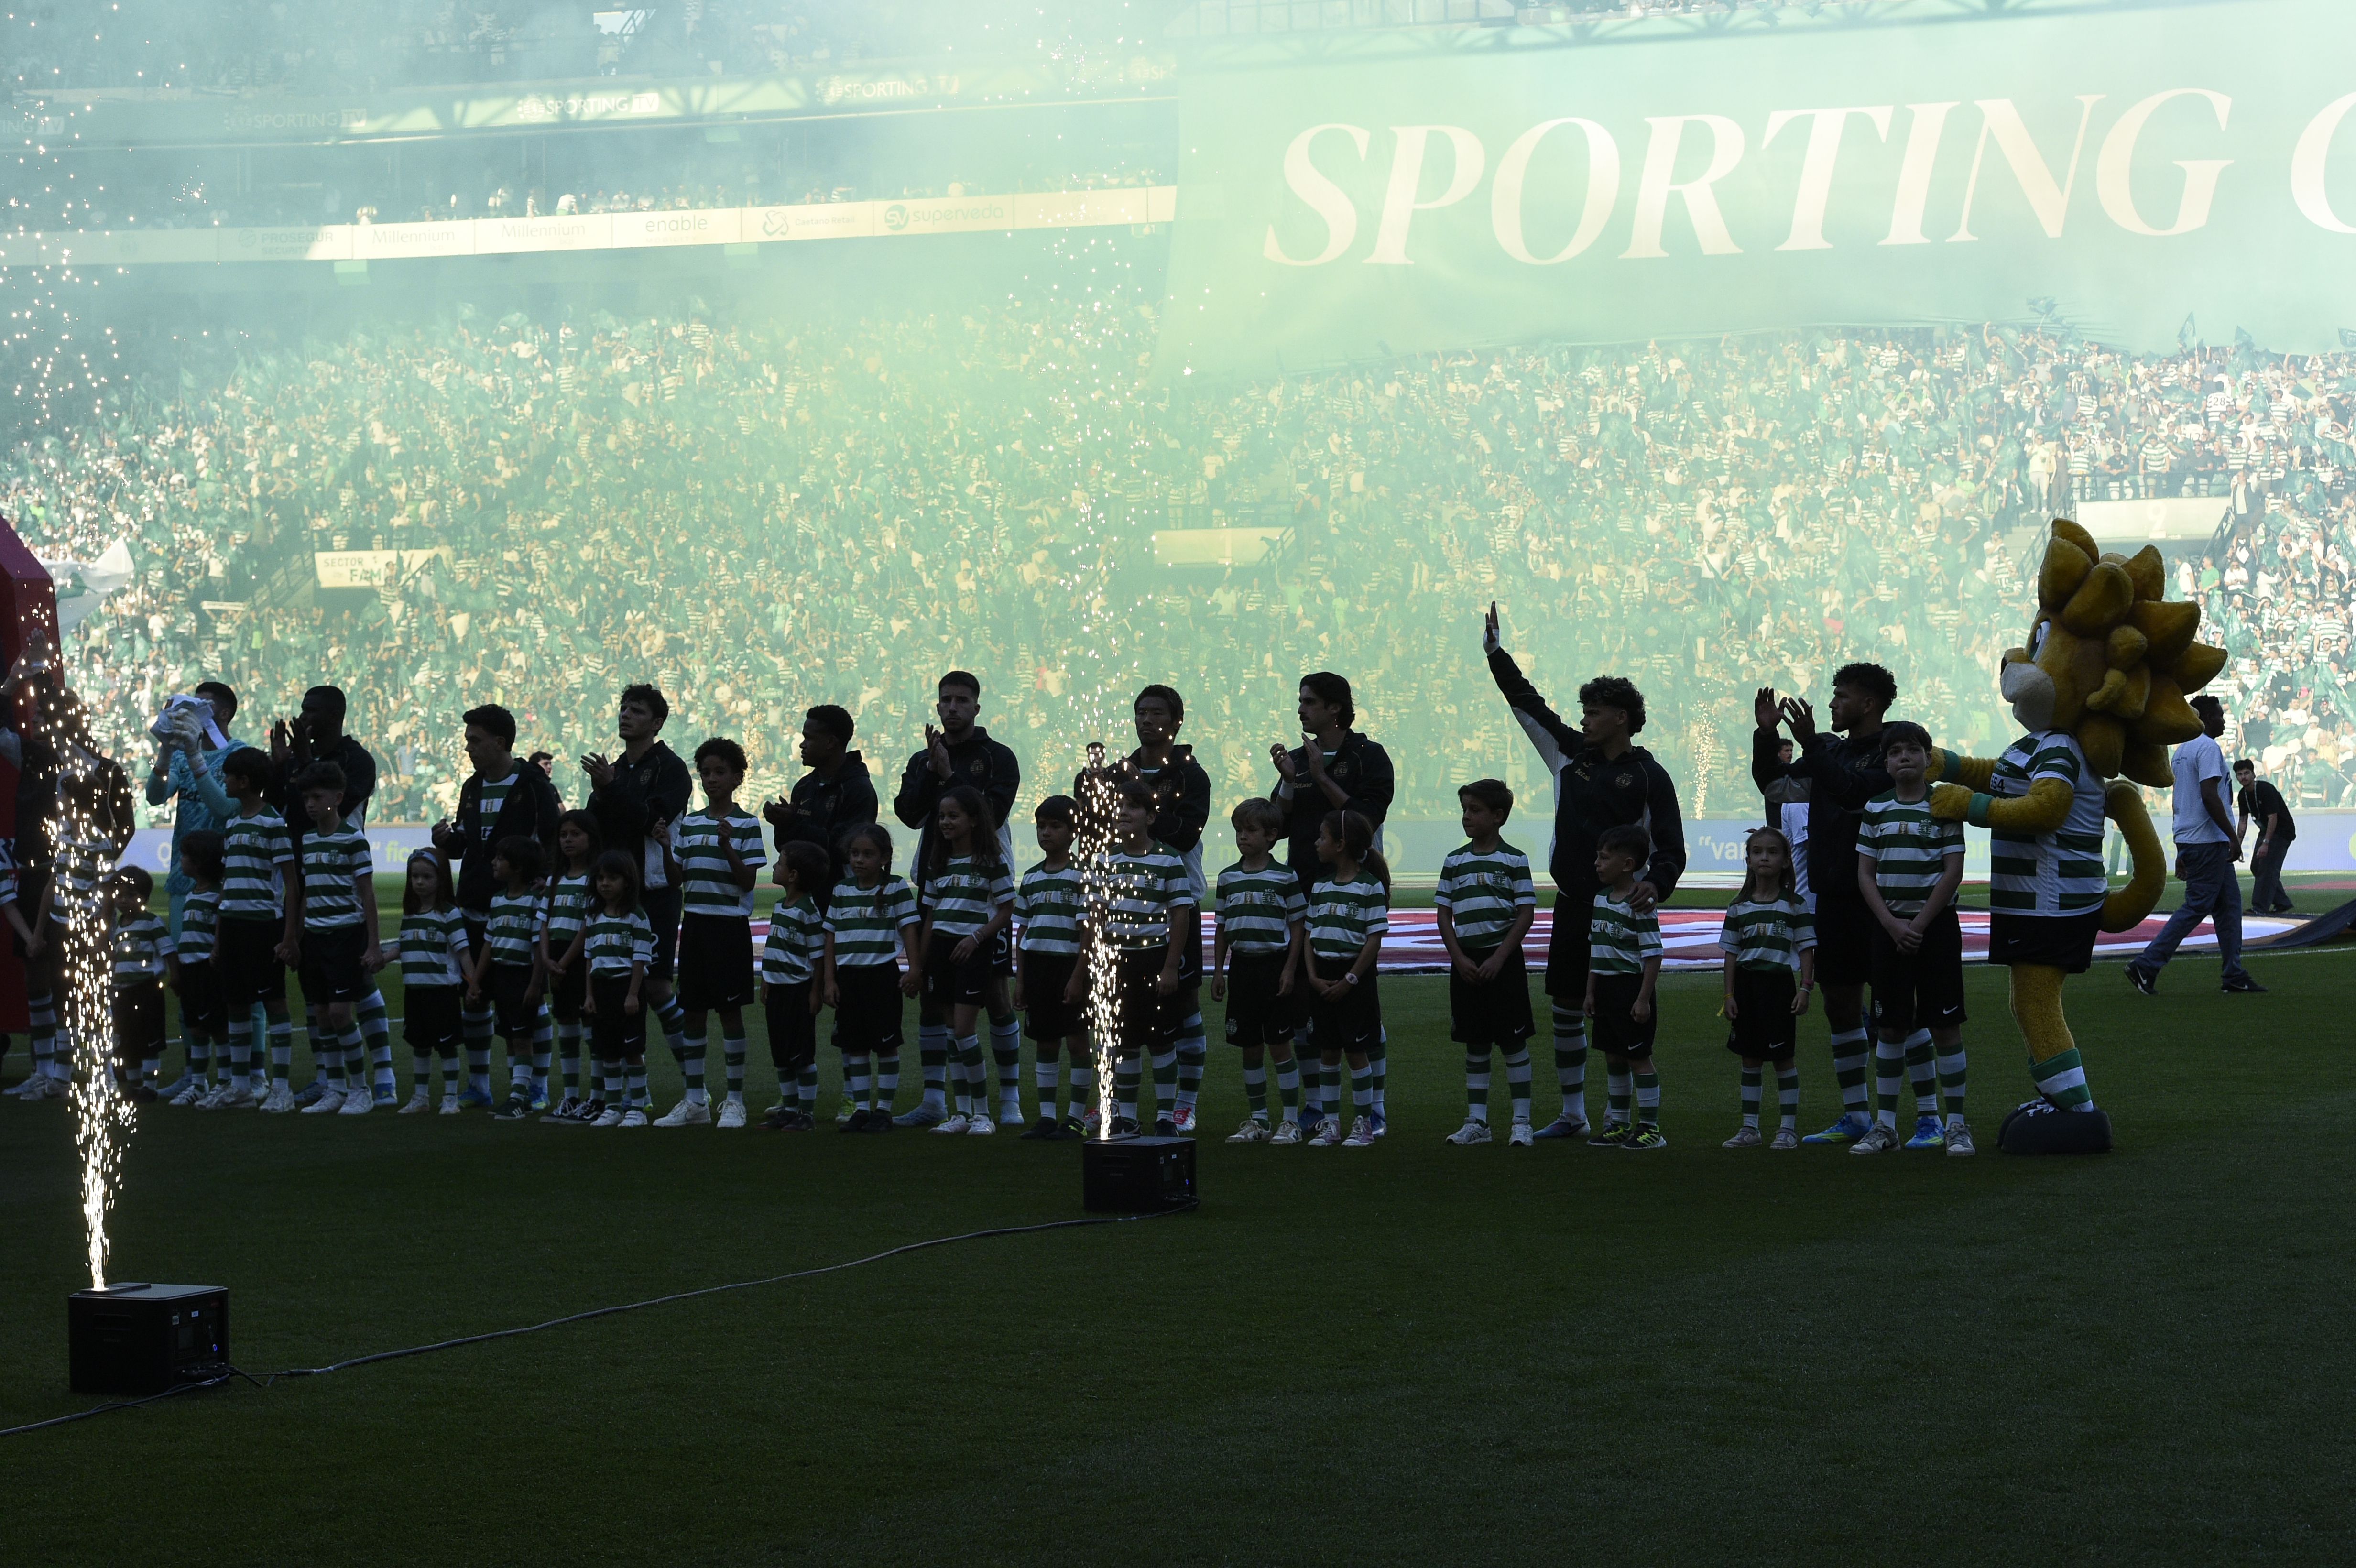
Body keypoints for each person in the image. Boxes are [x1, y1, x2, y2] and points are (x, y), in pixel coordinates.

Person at [1483, 603, 1686, 1141]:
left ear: (1620, 716)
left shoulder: (1649, 776)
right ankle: (1574, 1113)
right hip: (1574, 904)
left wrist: (1655, 884)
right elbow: (1528, 706)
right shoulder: (1567, 756)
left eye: (1593, 712)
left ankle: (1629, 1119)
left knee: (1624, 1016)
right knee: (1568, 1006)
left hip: (1623, 914)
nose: (1583, 720)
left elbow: (1671, 848)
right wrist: (1495, 654)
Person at [1748, 662, 1897, 1145]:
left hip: (1885, 899)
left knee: (1896, 1007)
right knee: (1839, 1003)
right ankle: (1856, 1114)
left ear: (1867, 704)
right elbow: (1775, 786)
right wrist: (1766, 737)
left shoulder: (1894, 750)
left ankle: (1928, 1118)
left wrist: (1811, 743)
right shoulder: (1827, 750)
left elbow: (1852, 792)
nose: (1831, 703)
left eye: (1840, 696)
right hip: (1833, 895)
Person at [1079, 686, 1214, 1132]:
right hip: (1124, 909)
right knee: (1131, 1020)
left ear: (1177, 721)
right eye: (1140, 712)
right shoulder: (1120, 771)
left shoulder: (1191, 775)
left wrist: (1146, 798)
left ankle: (1184, 1103)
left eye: (1156, 713)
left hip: (1178, 899)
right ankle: (1126, 1107)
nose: (1146, 720)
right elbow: (1097, 824)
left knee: (1183, 1004)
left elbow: (1186, 836)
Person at [891, 670, 1020, 1128]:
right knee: (932, 995)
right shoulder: (922, 758)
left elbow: (993, 812)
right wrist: (931, 771)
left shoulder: (998, 757)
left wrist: (951, 774)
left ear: (977, 707)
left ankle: (1009, 1099)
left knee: (996, 994)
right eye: (945, 700)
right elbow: (908, 814)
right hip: (937, 882)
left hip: (983, 892)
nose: (952, 707)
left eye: (961, 700)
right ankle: (935, 1101)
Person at [1269, 672, 1394, 1124]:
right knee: (1304, 1006)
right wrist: (1288, 782)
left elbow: (1365, 819)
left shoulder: (1369, 757)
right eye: (1300, 701)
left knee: (1361, 1008)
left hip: (1356, 892)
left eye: (1309, 702)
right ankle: (1318, 1107)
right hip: (1304, 889)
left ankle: (1374, 1110)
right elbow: (1275, 826)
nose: (1301, 709)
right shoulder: (1298, 760)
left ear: (1335, 708)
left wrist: (1320, 777)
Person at [273, 684, 397, 1109]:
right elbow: (283, 805)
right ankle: (332, 1083)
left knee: (356, 994)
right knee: (321, 1002)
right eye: (303, 708)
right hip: (308, 886)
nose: (304, 716)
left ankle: (379, 1077)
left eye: (313, 710)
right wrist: (281, 767)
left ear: (335, 714)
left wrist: (306, 761)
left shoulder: (355, 760)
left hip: (344, 898)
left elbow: (348, 803)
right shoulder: (305, 821)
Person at [436, 702, 565, 1105]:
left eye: (474, 740)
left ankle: (536, 1088)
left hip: (519, 912)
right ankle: (479, 1086)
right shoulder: (472, 787)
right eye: (467, 740)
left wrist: (545, 881)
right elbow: (470, 845)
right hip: (474, 906)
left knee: (526, 1005)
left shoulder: (532, 785)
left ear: (500, 742)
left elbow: (552, 839)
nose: (468, 748)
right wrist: (448, 840)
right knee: (474, 997)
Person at [1852, 724, 1972, 1156]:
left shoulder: (1944, 804)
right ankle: (1886, 1126)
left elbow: (1952, 871)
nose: (1904, 758)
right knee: (1891, 1027)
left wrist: (1917, 925)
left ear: (1927, 757)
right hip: (1889, 929)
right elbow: (1865, 874)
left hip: (1934, 929)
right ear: (1886, 763)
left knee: (1944, 1025)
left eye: (1913, 750)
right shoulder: (1875, 808)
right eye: (1896, 752)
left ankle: (1956, 1124)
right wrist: (1890, 924)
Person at [579, 684, 695, 1078]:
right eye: (623, 708)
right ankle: (635, 1092)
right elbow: (596, 826)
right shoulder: (615, 770)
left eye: (637, 711)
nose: (626, 714)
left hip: (655, 891)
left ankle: (694, 1085)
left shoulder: (671, 769)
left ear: (657, 723)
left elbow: (651, 821)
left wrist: (611, 788)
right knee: (611, 988)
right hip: (613, 896)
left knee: (657, 988)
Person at [657, 738, 766, 1129]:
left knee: (730, 1011)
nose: (712, 779)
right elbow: (677, 880)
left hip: (729, 926)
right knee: (694, 1012)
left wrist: (728, 847)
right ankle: (695, 1100)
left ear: (738, 777)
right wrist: (668, 848)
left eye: (720, 772)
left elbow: (748, 880)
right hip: (697, 925)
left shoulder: (747, 824)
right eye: (705, 772)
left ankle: (734, 1100)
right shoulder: (690, 822)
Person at [1075, 777, 1194, 1137]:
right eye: (1120, 806)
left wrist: (1171, 966)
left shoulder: (1168, 859)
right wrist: (1094, 962)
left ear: (1150, 817)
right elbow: (1095, 915)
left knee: (1161, 1041)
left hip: (1154, 959)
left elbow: (1181, 914)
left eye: (1133, 807)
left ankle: (1164, 1116)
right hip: (1116, 961)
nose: (1124, 812)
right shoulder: (1104, 858)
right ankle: (1126, 1116)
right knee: (1123, 1042)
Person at [2127, 695, 2264, 995]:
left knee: (2229, 906)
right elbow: (2208, 795)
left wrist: (2181, 845)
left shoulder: (2182, 750)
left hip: (2195, 839)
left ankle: (2234, 974)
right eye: (2218, 716)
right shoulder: (2208, 747)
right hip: (2209, 841)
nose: (2224, 721)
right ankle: (2147, 964)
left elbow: (2182, 802)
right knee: (2198, 905)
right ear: (2203, 718)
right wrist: (2231, 835)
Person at [1436, 779, 1539, 1148]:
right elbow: (1444, 914)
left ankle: (1522, 1122)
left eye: (1475, 810)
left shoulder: (1514, 860)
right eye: (1464, 809)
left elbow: (1525, 914)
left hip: (1504, 962)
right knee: (1475, 1043)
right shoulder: (1454, 860)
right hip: (1466, 963)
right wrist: (1459, 958)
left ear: (1498, 816)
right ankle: (1477, 1122)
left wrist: (1499, 957)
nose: (1467, 817)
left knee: (1513, 1043)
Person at [914, 784, 1017, 1135]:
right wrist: (921, 964)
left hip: (973, 949)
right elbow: (930, 915)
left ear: (974, 820)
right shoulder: (938, 862)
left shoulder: (991, 861)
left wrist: (976, 938)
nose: (945, 822)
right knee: (950, 1032)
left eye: (953, 816)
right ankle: (960, 1114)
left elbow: (1006, 910)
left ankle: (983, 1114)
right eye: (942, 816)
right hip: (943, 950)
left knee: (963, 1030)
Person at [284, 760, 382, 1117]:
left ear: (338, 797)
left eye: (316, 796)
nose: (309, 804)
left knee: (341, 1013)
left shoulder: (354, 840)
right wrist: (295, 937)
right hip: (316, 937)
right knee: (322, 1015)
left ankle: (360, 1089)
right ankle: (335, 1088)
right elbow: (308, 890)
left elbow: (366, 894)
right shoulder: (307, 839)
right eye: (306, 797)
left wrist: (373, 944)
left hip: (345, 934)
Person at [1212, 797, 1307, 1145]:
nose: (1242, 837)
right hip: (1242, 970)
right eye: (1239, 830)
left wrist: (1289, 969)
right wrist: (1219, 972)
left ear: (1271, 836)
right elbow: (1222, 927)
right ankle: (1258, 1120)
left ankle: (1291, 1121)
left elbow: (1298, 926)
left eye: (1250, 831)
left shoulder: (1285, 876)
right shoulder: (1228, 877)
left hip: (1274, 967)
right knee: (1249, 1048)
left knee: (1280, 1046)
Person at [1716, 827, 1813, 1151]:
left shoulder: (1795, 905)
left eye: (1772, 852)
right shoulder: (1738, 907)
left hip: (1778, 986)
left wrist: (1805, 988)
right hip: (1747, 986)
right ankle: (1750, 1128)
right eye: (1758, 852)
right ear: (1748, 860)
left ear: (1786, 860)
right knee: (1750, 1058)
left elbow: (1806, 949)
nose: (1764, 858)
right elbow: (1731, 954)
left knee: (1783, 1057)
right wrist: (1729, 995)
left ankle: (1787, 1129)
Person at [215, 746, 299, 1111]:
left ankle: (281, 1086)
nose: (225, 781)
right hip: (233, 925)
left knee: (274, 1002)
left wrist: (289, 935)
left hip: (264, 925)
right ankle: (241, 1085)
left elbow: (291, 885)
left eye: (229, 776)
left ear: (245, 781)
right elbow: (226, 887)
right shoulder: (232, 824)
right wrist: (219, 938)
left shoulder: (273, 823)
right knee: (235, 1003)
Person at [823, 822, 920, 1132]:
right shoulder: (841, 890)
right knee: (856, 1046)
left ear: (884, 857)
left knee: (886, 1046)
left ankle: (884, 1111)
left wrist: (915, 970)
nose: (859, 860)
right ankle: (862, 1109)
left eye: (867, 854)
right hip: (849, 978)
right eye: (854, 854)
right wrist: (829, 980)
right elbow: (830, 937)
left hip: (882, 977)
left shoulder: (896, 888)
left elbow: (909, 930)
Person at [1302, 808, 1390, 1148]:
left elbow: (1373, 939)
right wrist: (1312, 976)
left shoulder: (1370, 888)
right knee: (1327, 1051)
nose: (1317, 843)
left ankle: (1364, 1124)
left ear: (1341, 845)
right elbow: (1311, 934)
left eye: (1323, 838)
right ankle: (1332, 1124)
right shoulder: (1321, 885)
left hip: (1355, 979)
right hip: (1322, 977)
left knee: (1356, 1052)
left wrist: (1351, 979)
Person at [143, 679, 251, 935]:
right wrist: (166, 752)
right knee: (186, 958)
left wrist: (194, 755)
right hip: (184, 876)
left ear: (224, 714)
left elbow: (226, 810)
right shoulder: (180, 755)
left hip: (222, 878)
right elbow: (155, 797)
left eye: (203, 705)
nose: (192, 710)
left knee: (218, 962)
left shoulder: (240, 755)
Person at [1014, 795, 1091, 1140]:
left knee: (1076, 1042)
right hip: (1038, 968)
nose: (1046, 833)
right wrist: (1020, 981)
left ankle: (1075, 1118)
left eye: (1055, 826)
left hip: (1069, 967)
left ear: (1074, 832)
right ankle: (1047, 1117)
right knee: (1045, 1042)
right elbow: (1022, 931)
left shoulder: (1081, 876)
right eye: (1041, 826)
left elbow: (1088, 933)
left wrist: (1078, 976)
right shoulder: (1030, 878)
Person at [1585, 824, 1666, 1151]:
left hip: (1631, 989)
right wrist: (1591, 991)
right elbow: (1595, 949)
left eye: (1605, 858)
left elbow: (1653, 953)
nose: (1598, 864)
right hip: (1605, 988)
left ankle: (1650, 1128)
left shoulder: (1640, 903)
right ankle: (1618, 1124)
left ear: (1628, 864)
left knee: (1638, 1058)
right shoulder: (1600, 899)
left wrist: (1643, 998)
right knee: (1614, 1057)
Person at [469, 834, 552, 1121]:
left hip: (522, 975)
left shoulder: (533, 901)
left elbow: (537, 947)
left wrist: (535, 984)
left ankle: (518, 1098)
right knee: (508, 1036)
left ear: (517, 868)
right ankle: (521, 1094)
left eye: (500, 859)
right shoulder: (497, 901)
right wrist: (476, 981)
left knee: (523, 1039)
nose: (494, 862)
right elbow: (489, 945)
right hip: (501, 976)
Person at [762, 703, 878, 887]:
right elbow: (787, 849)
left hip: (840, 897)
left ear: (830, 743)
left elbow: (842, 848)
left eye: (809, 738)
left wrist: (793, 823)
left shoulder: (859, 789)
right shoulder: (804, 786)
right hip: (803, 897)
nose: (802, 744)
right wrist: (782, 825)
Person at [391, 849, 469, 1115]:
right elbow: (404, 946)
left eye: (427, 876)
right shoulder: (410, 914)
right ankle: (421, 1096)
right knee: (420, 1045)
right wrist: (381, 958)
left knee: (446, 1046)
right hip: (414, 990)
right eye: (415, 877)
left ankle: (450, 1097)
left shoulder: (449, 914)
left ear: (441, 880)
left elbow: (463, 952)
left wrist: (474, 982)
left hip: (441, 990)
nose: (420, 882)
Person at [758, 840, 830, 1130]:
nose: (775, 867)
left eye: (780, 863)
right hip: (777, 990)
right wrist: (766, 980)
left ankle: (806, 1114)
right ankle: (788, 1110)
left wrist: (815, 992)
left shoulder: (807, 912)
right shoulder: (780, 906)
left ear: (793, 875)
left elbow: (818, 956)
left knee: (801, 1054)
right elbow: (774, 948)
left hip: (797, 991)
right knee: (781, 1053)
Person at [581, 849, 656, 1128]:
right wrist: (589, 995)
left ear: (627, 881)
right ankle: (612, 1107)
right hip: (601, 990)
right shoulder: (594, 917)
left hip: (626, 988)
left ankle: (637, 1107)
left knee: (632, 1050)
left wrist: (633, 994)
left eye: (612, 878)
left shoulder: (637, 916)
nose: (605, 884)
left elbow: (640, 958)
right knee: (608, 1051)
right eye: (600, 878)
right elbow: (589, 958)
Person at [538, 810, 601, 1120]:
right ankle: (571, 1096)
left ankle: (600, 1096)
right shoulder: (555, 880)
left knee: (591, 1024)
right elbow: (544, 923)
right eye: (564, 835)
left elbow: (588, 926)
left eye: (576, 834)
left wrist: (561, 962)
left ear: (591, 838)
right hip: (557, 961)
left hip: (581, 959)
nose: (568, 840)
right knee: (565, 1023)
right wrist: (548, 959)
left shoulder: (595, 879)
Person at [173, 831, 231, 1107]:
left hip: (206, 968)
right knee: (195, 1028)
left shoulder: (218, 896)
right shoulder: (192, 893)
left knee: (218, 1027)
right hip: (189, 969)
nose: (181, 860)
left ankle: (226, 1081)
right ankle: (199, 1083)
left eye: (185, 856)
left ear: (200, 862)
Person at [107, 866, 173, 1101]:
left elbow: (168, 951)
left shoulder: (151, 922)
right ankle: (134, 1087)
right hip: (123, 992)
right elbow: (116, 957)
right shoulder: (119, 925)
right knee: (128, 1040)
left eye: (130, 895)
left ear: (143, 898)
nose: (123, 901)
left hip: (146, 990)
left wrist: (175, 977)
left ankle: (150, 1086)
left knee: (149, 1040)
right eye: (119, 895)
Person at [2234, 758, 2298, 915]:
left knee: (2267, 867)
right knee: (2256, 867)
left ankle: (2259, 908)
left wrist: (2266, 843)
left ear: (2254, 774)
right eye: (2240, 774)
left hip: (2282, 830)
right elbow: (2243, 822)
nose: (2244, 777)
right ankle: (2282, 903)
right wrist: (2237, 846)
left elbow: (2273, 818)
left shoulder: (2265, 789)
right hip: (2267, 830)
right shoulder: (2243, 795)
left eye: (2247, 773)